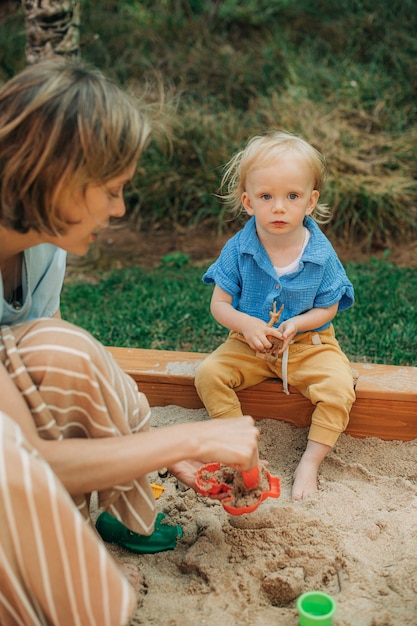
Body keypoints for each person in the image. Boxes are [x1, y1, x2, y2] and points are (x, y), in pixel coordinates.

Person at [0, 59, 260, 626]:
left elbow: (50, 371)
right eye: (113, 191)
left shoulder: (42, 245)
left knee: (63, 348)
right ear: (59, 178)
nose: (119, 210)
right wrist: (185, 438)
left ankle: (101, 517)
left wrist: (161, 454)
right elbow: (23, 459)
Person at [194, 130, 356, 501]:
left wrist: (298, 323)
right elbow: (219, 305)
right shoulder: (239, 249)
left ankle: (310, 463)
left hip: (308, 344)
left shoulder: (320, 252)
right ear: (248, 201)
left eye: (292, 196)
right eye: (267, 196)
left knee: (338, 388)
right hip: (248, 343)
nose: (279, 207)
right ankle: (240, 449)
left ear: (310, 202)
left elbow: (329, 306)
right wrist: (247, 323)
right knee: (209, 374)